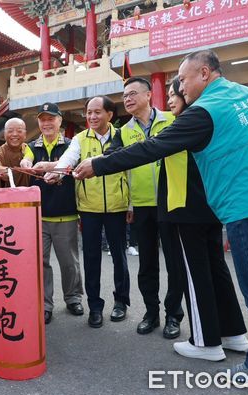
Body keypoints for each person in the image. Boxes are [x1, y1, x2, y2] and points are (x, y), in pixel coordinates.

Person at [74, 50, 248, 387]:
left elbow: (152, 148)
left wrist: (97, 165)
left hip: (247, 206)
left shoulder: (204, 111)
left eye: (183, 81)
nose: (180, 88)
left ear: (205, 73)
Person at [161, 77, 248, 361]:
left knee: (195, 274)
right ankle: (233, 334)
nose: (172, 99)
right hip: (210, 208)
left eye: (175, 93)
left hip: (188, 211)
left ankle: (205, 342)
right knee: (216, 271)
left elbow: (148, 150)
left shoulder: (186, 123)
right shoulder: (208, 121)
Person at [45, 95, 130, 329]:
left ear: (110, 115)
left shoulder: (121, 135)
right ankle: (95, 307)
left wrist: (130, 204)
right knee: (91, 258)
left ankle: (121, 302)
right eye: (88, 112)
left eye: (97, 112)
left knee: (119, 257)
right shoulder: (81, 139)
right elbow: (68, 159)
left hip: (117, 206)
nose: (91, 117)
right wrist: (57, 172)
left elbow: (129, 171)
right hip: (89, 207)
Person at [109, 77, 184, 339]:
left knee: (175, 263)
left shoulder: (172, 120)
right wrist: (129, 202)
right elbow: (113, 161)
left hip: (172, 202)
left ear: (149, 94)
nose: (127, 99)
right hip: (141, 205)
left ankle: (173, 315)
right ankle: (151, 313)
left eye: (132, 93)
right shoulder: (123, 131)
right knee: (147, 263)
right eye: (124, 95)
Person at [20, 102, 84, 324]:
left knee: (69, 262)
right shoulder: (31, 146)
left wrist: (50, 166)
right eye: (42, 119)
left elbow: (73, 167)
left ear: (60, 121)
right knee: (41, 263)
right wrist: (26, 162)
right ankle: (45, 304)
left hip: (65, 214)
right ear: (38, 122)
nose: (46, 123)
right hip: (37, 216)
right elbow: (26, 159)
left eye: (51, 119)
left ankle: (73, 297)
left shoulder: (71, 145)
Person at [0, 118, 30, 188]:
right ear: (4, 134)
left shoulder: (29, 150)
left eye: (19, 131)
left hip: (30, 196)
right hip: (6, 196)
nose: (14, 134)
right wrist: (6, 171)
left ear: (25, 134)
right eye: (10, 131)